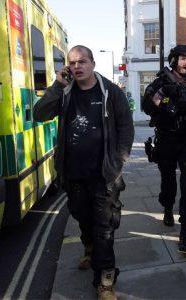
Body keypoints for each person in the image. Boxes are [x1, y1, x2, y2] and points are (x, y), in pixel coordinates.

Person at [33, 45, 134, 300]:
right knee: (82, 217)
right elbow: (39, 114)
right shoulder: (65, 92)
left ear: (92, 64)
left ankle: (105, 281)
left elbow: (126, 126)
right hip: (74, 174)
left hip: (104, 175)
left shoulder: (110, 91)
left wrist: (119, 161)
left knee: (105, 228)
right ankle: (89, 248)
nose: (77, 66)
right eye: (73, 62)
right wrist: (56, 85)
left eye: (83, 62)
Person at [142, 45, 186, 253]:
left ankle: (185, 230)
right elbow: (147, 105)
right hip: (166, 139)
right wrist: (164, 95)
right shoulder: (160, 82)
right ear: (174, 60)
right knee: (168, 179)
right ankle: (167, 207)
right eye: (183, 58)